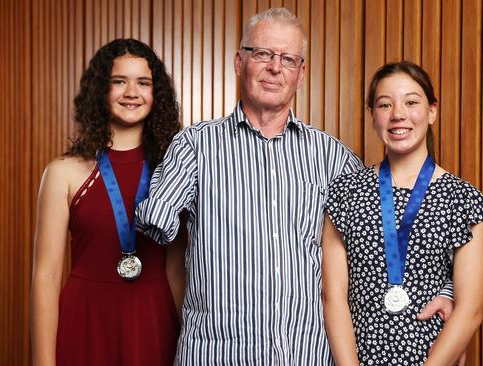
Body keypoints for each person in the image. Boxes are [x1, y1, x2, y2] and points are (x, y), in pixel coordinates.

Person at [136, 8, 455, 365]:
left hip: (308, 355)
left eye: (288, 59)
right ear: (239, 62)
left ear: (301, 75)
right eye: (263, 54)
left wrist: (448, 290)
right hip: (216, 355)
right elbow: (156, 227)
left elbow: (394, 235)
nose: (275, 68)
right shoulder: (196, 146)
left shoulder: (333, 157)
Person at [322, 61, 483, 365]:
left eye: (411, 102)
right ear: (373, 117)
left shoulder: (463, 199)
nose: (398, 114)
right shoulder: (344, 192)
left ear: (432, 112)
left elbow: (470, 310)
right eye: (384, 104)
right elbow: (334, 297)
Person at [30, 38, 184, 366]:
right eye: (119, 81)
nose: (132, 92)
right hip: (85, 320)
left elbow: (176, 270)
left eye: (143, 82)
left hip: (153, 322)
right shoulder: (63, 172)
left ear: (157, 95)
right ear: (101, 89)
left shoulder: (174, 172)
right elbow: (46, 276)